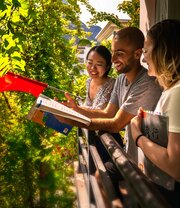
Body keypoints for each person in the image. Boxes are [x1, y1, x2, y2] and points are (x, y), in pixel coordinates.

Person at [59, 26, 162, 199]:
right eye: (113, 53)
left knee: (102, 184)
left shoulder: (146, 83)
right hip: (129, 157)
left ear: (138, 54)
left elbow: (116, 124)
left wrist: (72, 120)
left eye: (119, 53)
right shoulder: (121, 79)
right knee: (99, 181)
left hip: (149, 168)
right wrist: (74, 110)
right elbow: (107, 113)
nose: (113, 59)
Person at [130, 19, 180, 208]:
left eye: (147, 50)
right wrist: (148, 123)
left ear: (164, 51)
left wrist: (138, 136)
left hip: (178, 198)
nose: (143, 58)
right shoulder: (176, 90)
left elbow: (177, 167)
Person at [83, 45, 123, 162]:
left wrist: (76, 109)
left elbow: (105, 114)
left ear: (107, 67)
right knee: (94, 172)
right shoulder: (89, 81)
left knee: (106, 176)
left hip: (109, 139)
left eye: (99, 64)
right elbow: (88, 107)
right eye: (90, 63)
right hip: (93, 135)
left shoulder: (113, 84)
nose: (93, 68)